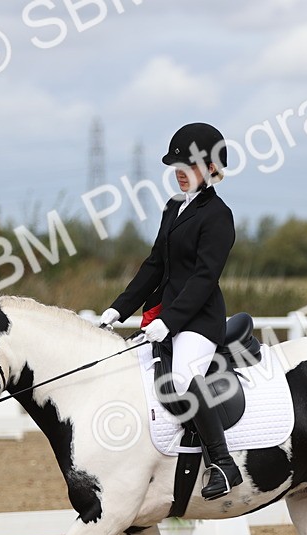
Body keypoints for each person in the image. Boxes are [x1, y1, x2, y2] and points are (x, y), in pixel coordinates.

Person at [98, 122, 243, 500]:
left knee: (182, 377)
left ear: (212, 168)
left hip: (198, 321)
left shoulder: (218, 216)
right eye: (176, 166)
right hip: (165, 317)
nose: (180, 173)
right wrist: (118, 309)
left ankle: (223, 465)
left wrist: (170, 321)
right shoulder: (173, 208)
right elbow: (154, 266)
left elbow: (203, 279)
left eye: (189, 166)